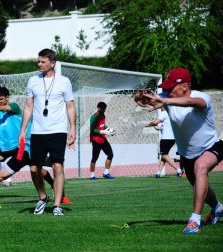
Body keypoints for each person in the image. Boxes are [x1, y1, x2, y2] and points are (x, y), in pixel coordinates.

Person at [134, 67, 223, 234]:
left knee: (201, 167)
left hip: (211, 146)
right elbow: (145, 102)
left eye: (170, 88)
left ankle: (194, 220)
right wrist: (139, 98)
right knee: (200, 186)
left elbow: (191, 102)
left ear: (184, 87)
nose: (166, 91)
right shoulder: (167, 98)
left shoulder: (201, 97)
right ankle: (217, 207)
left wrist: (165, 102)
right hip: (187, 154)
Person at [0, 86, 69, 204]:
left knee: (44, 168)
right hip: (12, 147)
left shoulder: (14, 107)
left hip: (22, 147)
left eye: (1, 99)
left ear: (7, 98)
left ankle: (59, 195)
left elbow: (3, 108)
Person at [19, 48, 76, 216]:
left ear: (53, 64)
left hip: (58, 131)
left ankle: (57, 205)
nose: (39, 64)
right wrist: (23, 130)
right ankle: (43, 197)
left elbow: (70, 106)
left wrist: (72, 128)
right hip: (37, 132)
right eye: (38, 61)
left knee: (58, 166)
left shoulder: (64, 81)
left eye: (43, 62)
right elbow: (28, 107)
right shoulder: (32, 81)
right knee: (34, 169)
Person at [145, 107, 184, 178]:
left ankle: (178, 170)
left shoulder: (163, 113)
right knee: (164, 155)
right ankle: (158, 172)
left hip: (166, 138)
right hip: (173, 138)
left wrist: (148, 124)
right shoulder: (172, 113)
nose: (159, 107)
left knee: (164, 155)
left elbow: (155, 122)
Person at [89, 102, 116, 180]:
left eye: (105, 108)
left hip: (103, 139)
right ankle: (92, 175)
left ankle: (106, 173)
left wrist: (109, 129)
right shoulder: (94, 117)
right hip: (96, 140)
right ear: (99, 108)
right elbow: (92, 129)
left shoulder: (103, 115)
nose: (104, 110)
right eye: (103, 108)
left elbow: (102, 125)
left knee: (110, 154)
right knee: (95, 157)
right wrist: (104, 132)